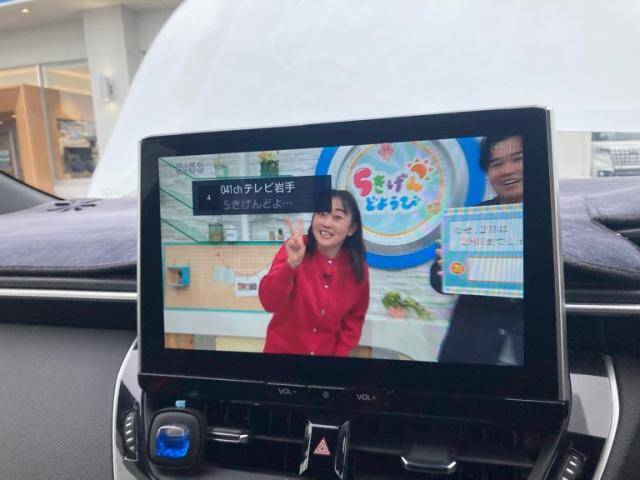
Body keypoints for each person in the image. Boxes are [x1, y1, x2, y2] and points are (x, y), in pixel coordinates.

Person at [431, 135, 524, 365]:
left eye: (518, 159)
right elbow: (438, 281)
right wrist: (446, 269)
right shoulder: (471, 219)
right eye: (497, 164)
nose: (508, 170)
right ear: (488, 172)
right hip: (469, 349)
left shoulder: (555, 221)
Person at [259, 189, 369, 356]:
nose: (326, 223)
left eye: (337, 217)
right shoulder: (296, 248)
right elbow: (269, 303)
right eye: (322, 214)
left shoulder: (357, 267)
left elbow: (354, 320)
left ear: (351, 229)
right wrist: (290, 266)